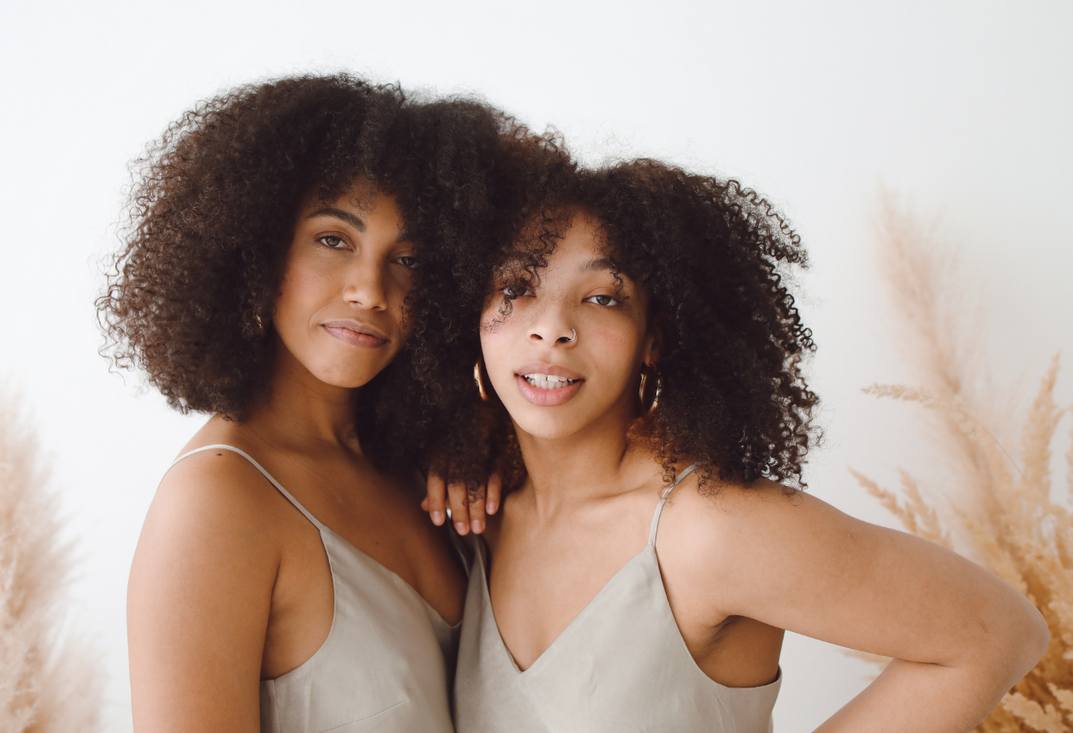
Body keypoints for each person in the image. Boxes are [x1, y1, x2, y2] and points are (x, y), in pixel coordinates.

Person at [423, 160, 1049, 732]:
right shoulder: (474, 516)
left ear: (654, 340)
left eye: (603, 297)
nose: (551, 327)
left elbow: (999, 634)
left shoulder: (707, 529)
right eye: (516, 287)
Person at [97, 74, 563, 733]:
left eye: (408, 258)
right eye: (334, 239)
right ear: (258, 246)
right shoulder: (215, 502)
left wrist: (484, 433)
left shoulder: (423, 464)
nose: (370, 289)